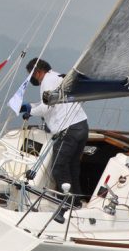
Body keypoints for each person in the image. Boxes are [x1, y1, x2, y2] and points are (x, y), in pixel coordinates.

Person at [20, 58, 89, 203]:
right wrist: (31, 106)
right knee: (72, 166)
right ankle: (76, 200)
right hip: (81, 126)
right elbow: (51, 102)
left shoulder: (46, 81)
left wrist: (30, 111)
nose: (32, 79)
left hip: (68, 129)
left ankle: (68, 203)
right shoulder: (55, 76)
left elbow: (46, 106)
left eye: (31, 74)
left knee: (59, 167)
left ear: (38, 72)